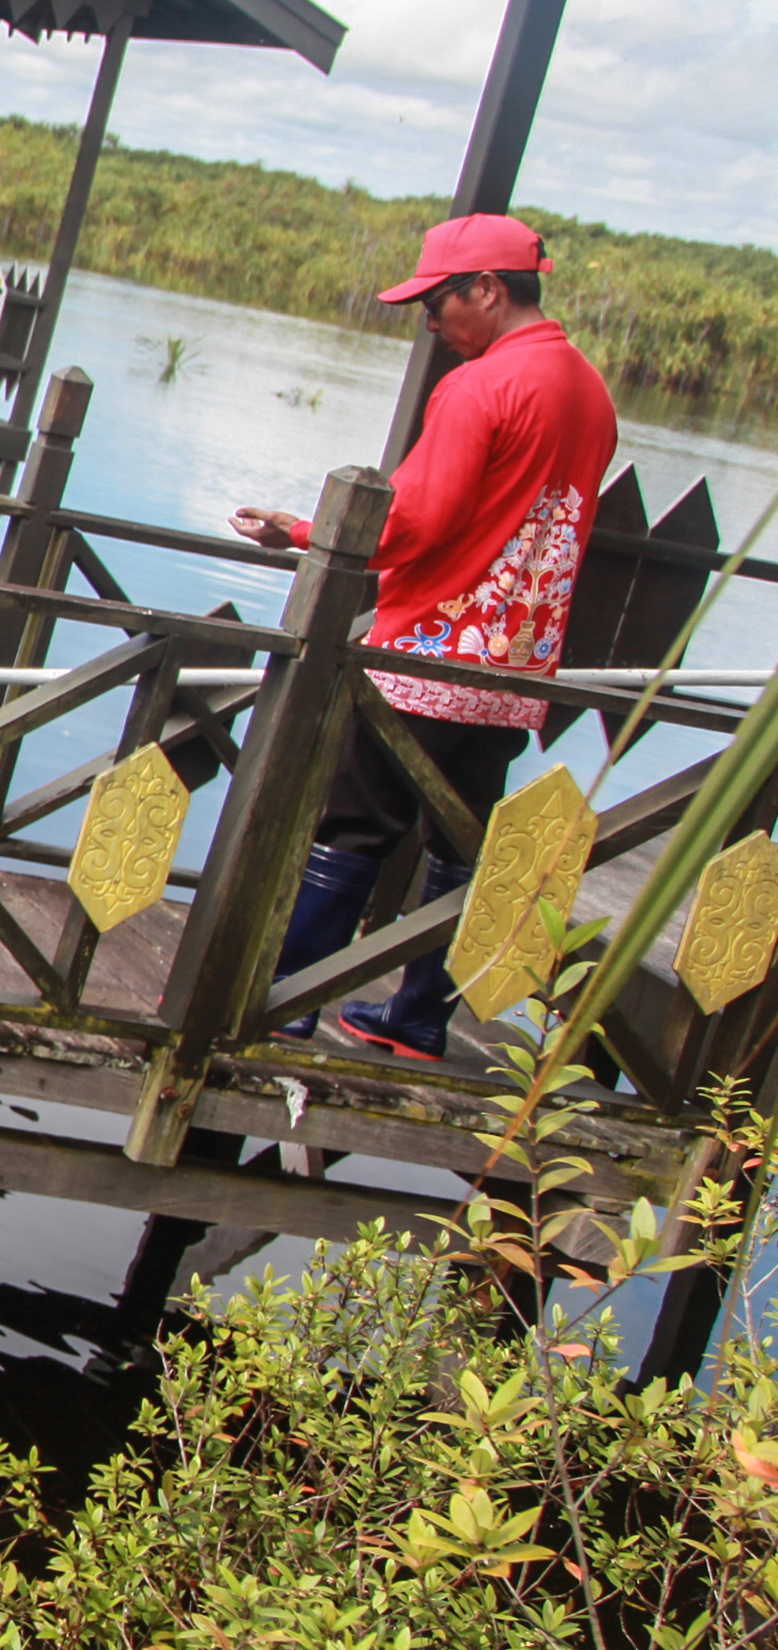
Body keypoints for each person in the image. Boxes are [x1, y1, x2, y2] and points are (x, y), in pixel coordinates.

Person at [242, 214, 615, 1061]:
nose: (430, 322)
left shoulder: (480, 388)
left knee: (352, 824)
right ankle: (415, 1019)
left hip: (430, 650)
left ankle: (282, 1001)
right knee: (460, 839)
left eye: (436, 303)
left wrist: (302, 529)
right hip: (513, 666)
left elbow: (410, 519)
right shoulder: (590, 392)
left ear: (488, 289)